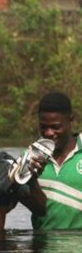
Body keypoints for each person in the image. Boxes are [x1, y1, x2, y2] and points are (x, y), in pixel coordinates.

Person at [30, 92, 82, 230]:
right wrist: (29, 180)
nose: (48, 133)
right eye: (43, 127)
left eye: (55, 127)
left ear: (70, 119)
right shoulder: (31, 159)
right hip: (45, 249)